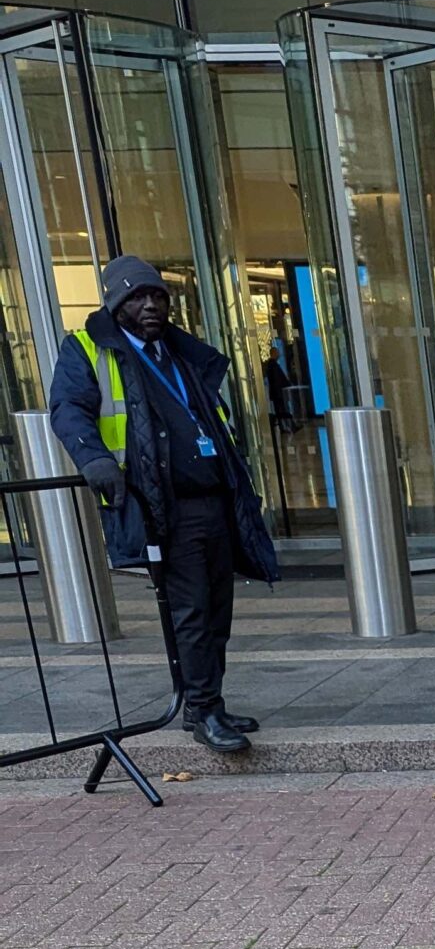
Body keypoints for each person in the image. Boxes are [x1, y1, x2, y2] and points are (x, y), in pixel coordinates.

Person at [50, 253, 279, 755]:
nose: (150, 305)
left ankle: (204, 703)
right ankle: (205, 709)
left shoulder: (175, 351)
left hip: (214, 498)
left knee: (218, 608)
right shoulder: (90, 349)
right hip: (163, 504)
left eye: (157, 296)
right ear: (115, 304)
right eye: (137, 297)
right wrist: (94, 461)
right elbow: (68, 409)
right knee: (191, 610)